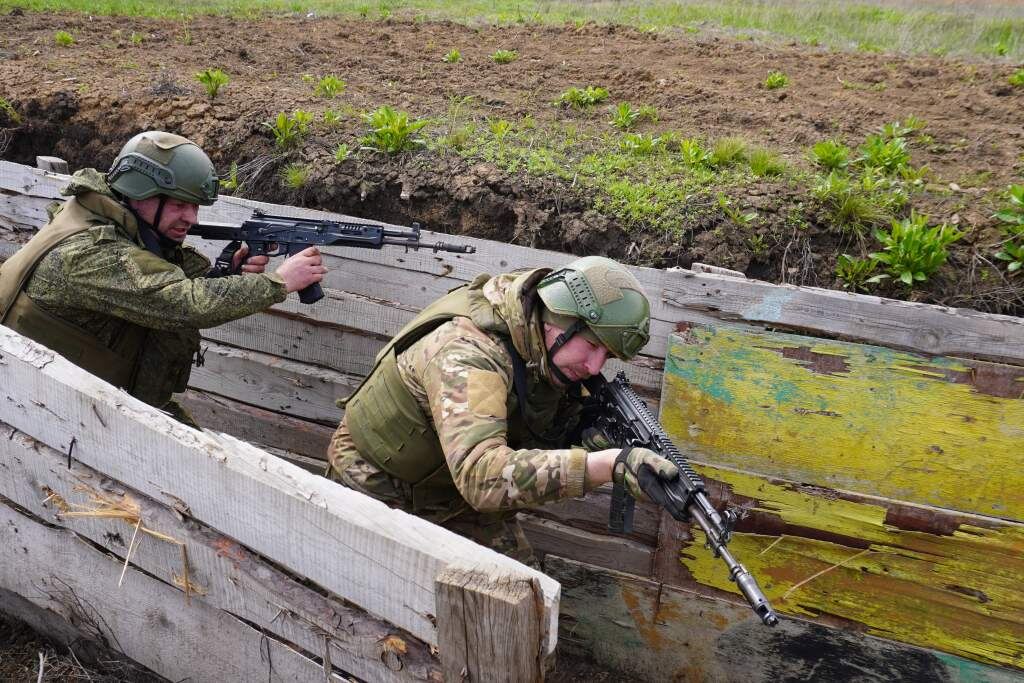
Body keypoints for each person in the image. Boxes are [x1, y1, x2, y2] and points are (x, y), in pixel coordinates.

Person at [326, 255, 679, 562]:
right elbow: (481, 476)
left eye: (608, 356)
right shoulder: (468, 353)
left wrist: (582, 438)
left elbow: (532, 423)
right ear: (558, 320)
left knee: (526, 599)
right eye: (591, 346)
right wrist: (602, 465)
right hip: (374, 483)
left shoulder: (538, 343)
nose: (593, 367)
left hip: (451, 496)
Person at [0, 130, 326, 426]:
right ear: (141, 193)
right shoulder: (91, 252)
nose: (191, 219)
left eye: (195, 207)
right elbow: (184, 304)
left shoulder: (112, 220)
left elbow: (157, 273)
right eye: (180, 205)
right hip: (39, 406)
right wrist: (279, 282)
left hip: (71, 393)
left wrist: (226, 275)